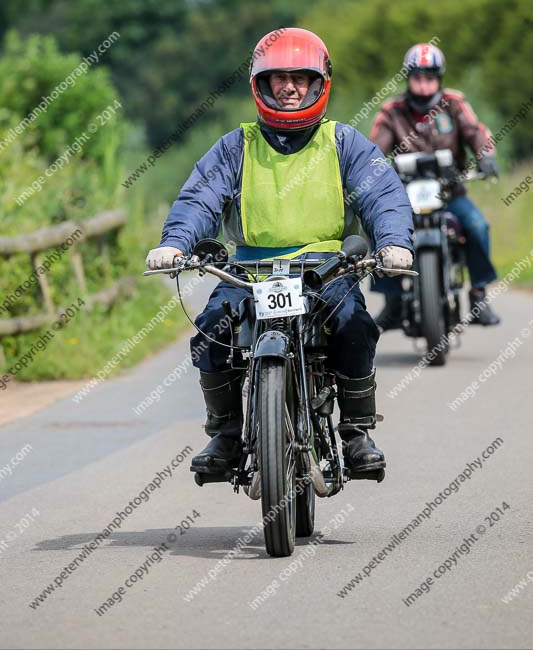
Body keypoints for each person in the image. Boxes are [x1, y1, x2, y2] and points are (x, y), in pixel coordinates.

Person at [146, 28, 414, 480]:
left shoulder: (343, 143)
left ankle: (355, 432)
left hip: (327, 269)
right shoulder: (237, 145)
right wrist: (175, 243)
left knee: (355, 326)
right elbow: (201, 198)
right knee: (212, 329)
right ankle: (226, 432)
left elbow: (383, 196)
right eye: (277, 78)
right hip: (249, 270)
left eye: (300, 78)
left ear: (319, 83)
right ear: (260, 85)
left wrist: (394, 243)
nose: (289, 87)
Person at [369, 42, 500, 331]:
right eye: (417, 77)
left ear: (439, 79)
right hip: (405, 197)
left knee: (477, 226)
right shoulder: (392, 111)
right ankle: (392, 303)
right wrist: (370, 172)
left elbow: (476, 132)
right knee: (379, 230)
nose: (424, 85)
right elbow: (374, 150)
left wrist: (486, 155)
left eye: (430, 78)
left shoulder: (454, 103)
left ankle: (478, 295)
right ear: (408, 79)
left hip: (450, 193)